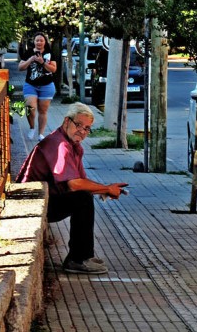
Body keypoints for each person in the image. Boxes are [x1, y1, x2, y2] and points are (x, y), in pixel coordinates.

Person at [16, 102, 128, 275]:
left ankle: (82, 256)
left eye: (87, 128)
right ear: (66, 121)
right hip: (30, 202)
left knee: (83, 197)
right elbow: (74, 184)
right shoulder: (59, 145)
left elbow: (81, 180)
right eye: (78, 125)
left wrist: (105, 190)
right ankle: (78, 259)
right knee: (82, 199)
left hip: (43, 198)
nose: (82, 131)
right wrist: (106, 189)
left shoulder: (72, 145)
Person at [18, 31, 57, 141]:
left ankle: (40, 134)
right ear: (34, 42)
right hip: (31, 85)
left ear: (45, 42)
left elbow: (54, 69)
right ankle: (32, 128)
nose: (39, 42)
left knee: (43, 111)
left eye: (41, 40)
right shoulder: (29, 52)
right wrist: (30, 60)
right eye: (37, 40)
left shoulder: (49, 53)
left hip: (47, 86)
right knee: (30, 107)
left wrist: (42, 62)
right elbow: (20, 67)